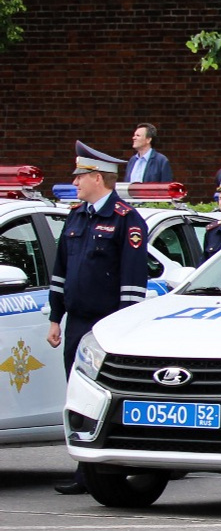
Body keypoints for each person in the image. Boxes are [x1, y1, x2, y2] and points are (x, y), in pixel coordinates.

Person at [48, 143, 150, 494]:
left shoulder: (126, 220)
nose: (74, 182)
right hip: (76, 322)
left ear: (96, 177)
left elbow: (134, 280)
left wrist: (124, 331)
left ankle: (109, 467)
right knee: (78, 396)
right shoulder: (77, 216)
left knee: (106, 396)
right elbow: (61, 271)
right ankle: (85, 470)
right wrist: (54, 316)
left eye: (79, 176)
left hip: (106, 327)